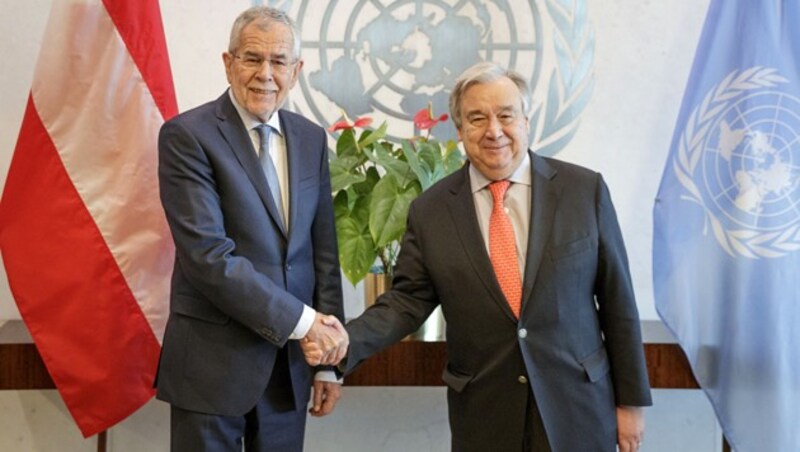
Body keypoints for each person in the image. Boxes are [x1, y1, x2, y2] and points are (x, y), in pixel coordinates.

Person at [306, 62, 652, 451]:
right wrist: (344, 340)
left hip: (579, 408)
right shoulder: (431, 210)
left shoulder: (583, 191)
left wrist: (632, 403)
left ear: (525, 120)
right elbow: (406, 302)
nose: (493, 131)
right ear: (459, 130)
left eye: (506, 115)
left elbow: (618, 302)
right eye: (477, 118)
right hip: (485, 414)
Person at [156, 6, 347, 451]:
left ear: (296, 70)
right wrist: (305, 324)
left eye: (279, 61)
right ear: (228, 63)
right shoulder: (187, 136)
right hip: (211, 369)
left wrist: (327, 363)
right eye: (252, 58)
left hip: (289, 371)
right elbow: (208, 259)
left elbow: (323, 252)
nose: (265, 74)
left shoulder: (310, 137)